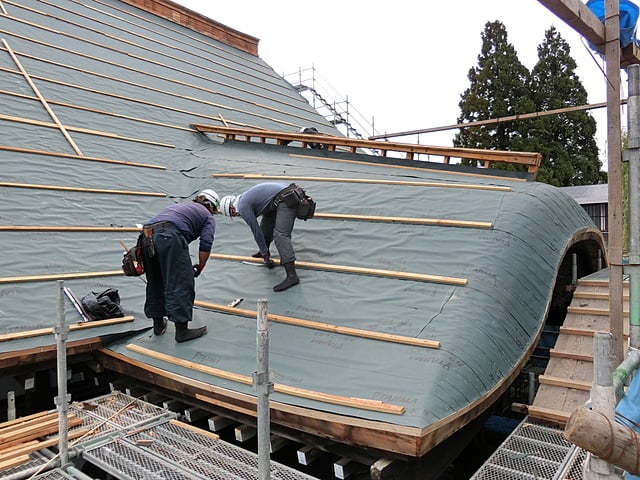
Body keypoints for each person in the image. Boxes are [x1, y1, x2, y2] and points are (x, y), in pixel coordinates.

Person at [141, 189, 219, 342]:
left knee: (155, 280)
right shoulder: (207, 216)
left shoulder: (182, 207)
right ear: (211, 206)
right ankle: (182, 332)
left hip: (146, 236)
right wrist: (200, 266)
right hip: (169, 237)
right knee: (180, 282)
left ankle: (158, 325)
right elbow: (206, 244)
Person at [220, 182, 304, 292]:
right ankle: (265, 250)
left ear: (232, 208)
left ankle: (292, 276)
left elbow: (256, 231)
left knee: (281, 236)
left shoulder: (242, 207)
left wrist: (265, 258)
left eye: (233, 214)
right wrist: (264, 251)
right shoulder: (243, 199)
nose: (236, 216)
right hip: (277, 200)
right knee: (266, 225)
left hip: (286, 199)